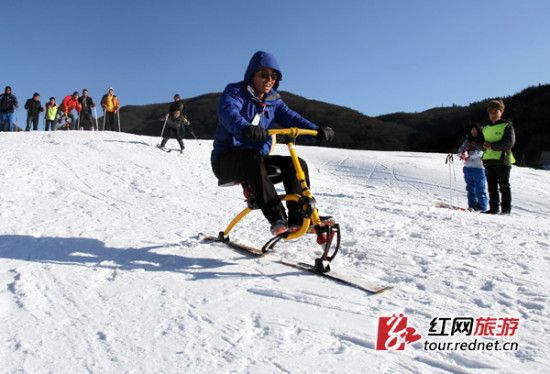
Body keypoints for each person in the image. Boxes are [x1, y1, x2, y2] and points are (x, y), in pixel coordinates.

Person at [211, 51, 334, 236]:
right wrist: (245, 128)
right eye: (264, 74)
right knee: (251, 157)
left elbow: (292, 118)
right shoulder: (236, 92)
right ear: (252, 74)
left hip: (256, 160)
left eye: (274, 75)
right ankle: (277, 218)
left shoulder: (274, 101)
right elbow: (228, 112)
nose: (270, 79)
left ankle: (299, 218)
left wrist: (316, 132)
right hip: (226, 161)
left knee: (296, 163)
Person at [482, 99, 516, 215]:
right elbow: (479, 142)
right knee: (491, 187)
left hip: (502, 160)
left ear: (501, 112)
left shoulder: (507, 126)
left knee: (504, 186)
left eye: (496, 111)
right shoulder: (485, 127)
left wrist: (492, 146)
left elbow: (509, 142)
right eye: (491, 112)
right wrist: (482, 146)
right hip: (489, 160)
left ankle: (506, 210)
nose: (493, 114)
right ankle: (493, 209)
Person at [457, 124, 488, 211]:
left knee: (480, 188)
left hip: (478, 167)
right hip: (467, 167)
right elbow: (459, 151)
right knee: (470, 188)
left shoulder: (482, 141)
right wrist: (462, 154)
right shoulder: (467, 141)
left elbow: (480, 152)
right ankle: (472, 206)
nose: (473, 132)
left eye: (475, 130)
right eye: (472, 130)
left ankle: (482, 207)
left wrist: (469, 155)